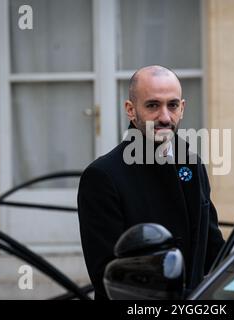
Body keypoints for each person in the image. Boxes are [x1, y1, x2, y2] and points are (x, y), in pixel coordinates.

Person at [77, 65, 225, 300]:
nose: (165, 117)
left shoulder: (193, 165)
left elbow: (213, 250)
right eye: (153, 105)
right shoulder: (102, 176)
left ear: (182, 108)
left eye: (172, 105)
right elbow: (109, 277)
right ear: (130, 110)